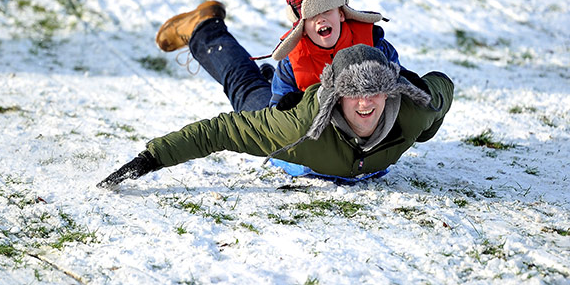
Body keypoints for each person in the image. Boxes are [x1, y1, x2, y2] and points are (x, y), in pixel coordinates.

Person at [97, 44, 453, 188]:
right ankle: (205, 29)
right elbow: (220, 132)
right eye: (353, 93)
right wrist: (152, 157)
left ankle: (272, 80)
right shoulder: (297, 128)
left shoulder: (411, 110)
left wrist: (427, 127)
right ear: (335, 95)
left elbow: (443, 86)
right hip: (278, 112)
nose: (365, 104)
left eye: (374, 92)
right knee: (244, 88)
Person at [154, 0, 402, 112]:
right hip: (300, 119)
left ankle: (265, 78)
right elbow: (277, 115)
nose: (321, 19)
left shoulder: (374, 45)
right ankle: (205, 29)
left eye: (328, 10)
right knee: (246, 91)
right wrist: (288, 106)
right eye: (311, 16)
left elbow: (398, 88)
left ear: (341, 13)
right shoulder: (294, 59)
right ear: (301, 27)